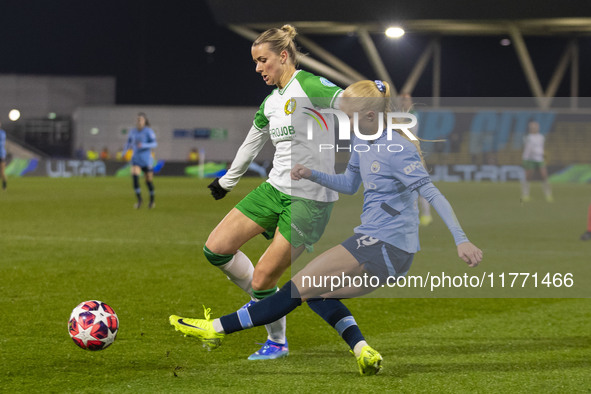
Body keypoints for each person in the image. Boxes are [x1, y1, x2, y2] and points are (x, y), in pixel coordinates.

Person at [170, 80, 483, 375]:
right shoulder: (363, 141)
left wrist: (462, 240)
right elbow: (348, 184)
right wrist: (312, 174)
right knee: (318, 295)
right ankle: (363, 351)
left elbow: (434, 194)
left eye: (350, 117)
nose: (346, 123)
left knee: (296, 290)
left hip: (382, 244)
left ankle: (216, 329)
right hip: (389, 252)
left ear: (371, 115)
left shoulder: (396, 149)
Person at [193, 25, 343, 360]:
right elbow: (252, 142)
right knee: (216, 249)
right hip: (274, 188)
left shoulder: (310, 85)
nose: (258, 68)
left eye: (263, 60)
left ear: (284, 56)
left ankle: (276, 340)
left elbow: (350, 102)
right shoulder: (271, 103)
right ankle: (265, 304)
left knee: (262, 279)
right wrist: (227, 181)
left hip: (310, 199)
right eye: (256, 61)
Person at [398, 92, 432, 226]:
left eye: (406, 100)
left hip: (414, 156)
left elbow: (406, 129)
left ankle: (427, 215)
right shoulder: (399, 115)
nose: (405, 102)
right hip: (401, 157)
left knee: (421, 186)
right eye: (403, 100)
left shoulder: (412, 115)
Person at [123, 112, 157, 209]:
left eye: (141, 119)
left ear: (144, 121)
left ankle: (151, 201)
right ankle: (139, 200)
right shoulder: (132, 131)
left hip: (146, 160)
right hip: (136, 159)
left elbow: (154, 144)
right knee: (135, 178)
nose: (139, 121)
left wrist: (144, 145)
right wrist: (124, 152)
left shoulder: (149, 131)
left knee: (148, 181)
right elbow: (128, 142)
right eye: (137, 119)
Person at [521, 120, 553, 202]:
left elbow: (542, 148)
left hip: (539, 159)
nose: (534, 129)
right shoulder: (528, 137)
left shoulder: (541, 137)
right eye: (532, 127)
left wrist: (543, 156)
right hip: (530, 159)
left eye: (535, 127)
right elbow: (527, 149)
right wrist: (525, 159)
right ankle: (525, 195)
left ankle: (548, 195)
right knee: (528, 177)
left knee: (544, 176)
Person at [0, 121, 7, 190]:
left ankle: (4, 186)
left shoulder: (2, 133)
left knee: (2, 172)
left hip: (1, 155)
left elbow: (1, 143)